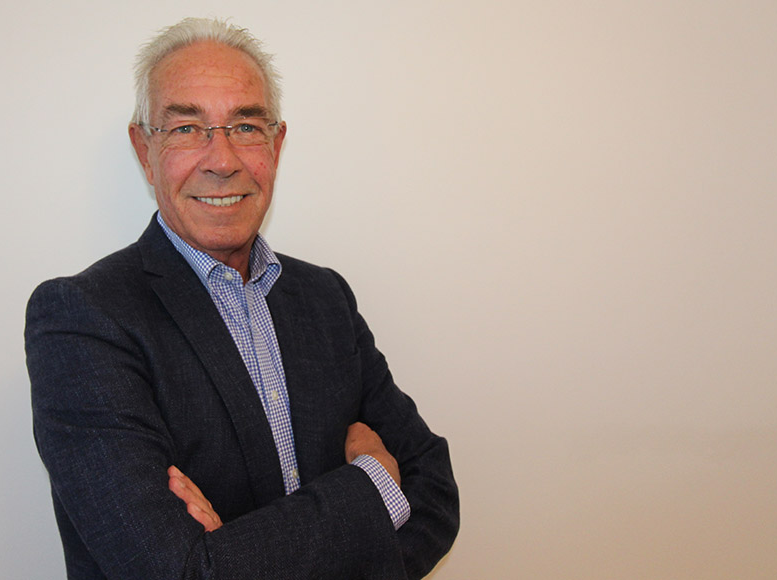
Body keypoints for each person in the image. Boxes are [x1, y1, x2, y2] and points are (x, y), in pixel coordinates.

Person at [25, 17, 459, 580]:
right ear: (144, 150)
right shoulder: (83, 320)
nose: (222, 159)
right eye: (186, 128)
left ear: (276, 145)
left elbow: (435, 494)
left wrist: (232, 554)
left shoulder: (326, 298)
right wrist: (372, 485)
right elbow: (177, 573)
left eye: (247, 126)